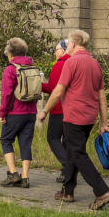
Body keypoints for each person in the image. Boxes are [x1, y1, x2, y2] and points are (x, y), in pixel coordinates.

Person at [37, 30, 109, 210]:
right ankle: (68, 191)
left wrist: (44, 111)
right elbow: (102, 98)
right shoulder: (95, 64)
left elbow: (58, 91)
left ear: (72, 43)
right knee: (73, 152)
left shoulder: (71, 63)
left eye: (68, 43)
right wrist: (104, 123)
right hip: (89, 118)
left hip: (73, 117)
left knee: (78, 154)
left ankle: (102, 191)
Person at [0, 38, 38, 188]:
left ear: (10, 53)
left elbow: (6, 94)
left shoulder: (10, 69)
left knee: (6, 140)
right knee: (25, 143)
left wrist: (3, 112)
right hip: (31, 112)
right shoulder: (32, 67)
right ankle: (25, 178)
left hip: (15, 112)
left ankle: (14, 173)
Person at [41, 39, 71, 183]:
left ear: (64, 50)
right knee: (66, 141)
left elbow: (53, 89)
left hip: (58, 108)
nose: (55, 52)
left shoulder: (60, 65)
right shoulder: (73, 62)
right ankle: (66, 174)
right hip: (72, 109)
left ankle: (69, 165)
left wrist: (37, 86)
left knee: (52, 138)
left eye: (57, 49)